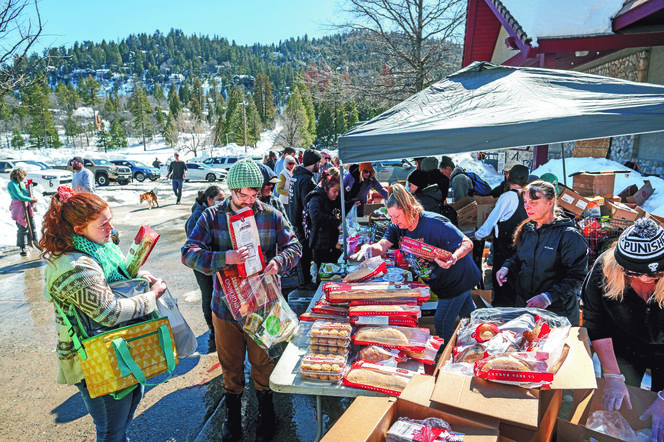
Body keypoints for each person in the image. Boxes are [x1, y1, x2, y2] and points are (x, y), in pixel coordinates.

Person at [182, 159, 301, 441]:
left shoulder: (270, 214)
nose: (249, 201)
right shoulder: (211, 217)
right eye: (242, 195)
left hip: (265, 305)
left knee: (263, 362)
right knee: (231, 364)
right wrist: (225, 258)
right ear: (231, 189)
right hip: (226, 307)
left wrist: (279, 262)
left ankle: (267, 415)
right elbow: (189, 252)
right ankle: (233, 418)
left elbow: (294, 246)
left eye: (254, 195)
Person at [40, 188, 166, 442]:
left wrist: (137, 278)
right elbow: (109, 312)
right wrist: (151, 297)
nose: (111, 229)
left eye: (111, 220)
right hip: (96, 356)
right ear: (78, 229)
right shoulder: (75, 266)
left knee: (121, 421)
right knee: (110, 430)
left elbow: (112, 284)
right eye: (103, 224)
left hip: (118, 346)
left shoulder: (99, 249)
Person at [352, 184, 479, 343]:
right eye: (390, 216)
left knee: (442, 321)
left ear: (409, 209)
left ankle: (446, 361)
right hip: (442, 282)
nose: (394, 221)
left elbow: (467, 243)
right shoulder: (397, 227)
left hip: (457, 278)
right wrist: (369, 248)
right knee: (470, 318)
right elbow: (382, 245)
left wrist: (453, 257)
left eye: (396, 216)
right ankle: (479, 345)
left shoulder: (434, 223)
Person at [581, 218, 664, 440]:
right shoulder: (603, 270)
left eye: (656, 275)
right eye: (636, 274)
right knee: (621, 413)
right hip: (624, 347)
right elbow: (596, 324)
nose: (646, 280)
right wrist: (612, 376)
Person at [496, 180, 588, 324]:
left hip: (556, 315)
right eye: (525, 201)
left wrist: (548, 297)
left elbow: (577, 277)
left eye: (534, 201)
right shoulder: (528, 229)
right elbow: (520, 256)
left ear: (550, 202)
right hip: (526, 309)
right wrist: (506, 266)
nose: (527, 206)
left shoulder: (569, 235)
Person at [475, 164, 529, 307]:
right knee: (517, 291)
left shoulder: (507, 197)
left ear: (508, 177)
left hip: (505, 252)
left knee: (503, 291)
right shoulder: (528, 197)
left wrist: (477, 236)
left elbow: (490, 222)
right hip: (523, 251)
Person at [185, 185, 225, 353]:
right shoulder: (198, 217)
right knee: (208, 295)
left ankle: (219, 328)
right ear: (209, 200)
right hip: (203, 264)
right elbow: (193, 246)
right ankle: (212, 331)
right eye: (219, 200)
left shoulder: (216, 213)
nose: (222, 203)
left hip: (215, 261)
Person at [305, 169, 359, 278]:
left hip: (332, 241)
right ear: (326, 188)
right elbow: (315, 216)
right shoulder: (316, 197)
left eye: (338, 191)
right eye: (334, 191)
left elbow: (342, 205)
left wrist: (353, 202)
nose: (336, 194)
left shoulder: (332, 197)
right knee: (324, 273)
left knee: (332, 271)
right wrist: (336, 223)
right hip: (320, 243)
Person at [288, 149, 322, 289]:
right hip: (301, 223)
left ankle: (304, 281)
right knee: (304, 253)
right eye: (319, 162)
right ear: (314, 163)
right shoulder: (307, 180)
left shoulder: (297, 175)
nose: (320, 164)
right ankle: (304, 283)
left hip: (294, 219)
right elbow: (308, 204)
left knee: (303, 252)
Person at [8, 168, 39, 256]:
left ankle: (34, 242)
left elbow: (25, 194)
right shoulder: (12, 184)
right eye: (23, 177)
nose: (23, 179)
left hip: (26, 206)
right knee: (22, 228)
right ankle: (22, 246)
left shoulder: (21, 183)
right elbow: (19, 196)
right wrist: (32, 199)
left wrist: (30, 190)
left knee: (32, 225)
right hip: (18, 207)